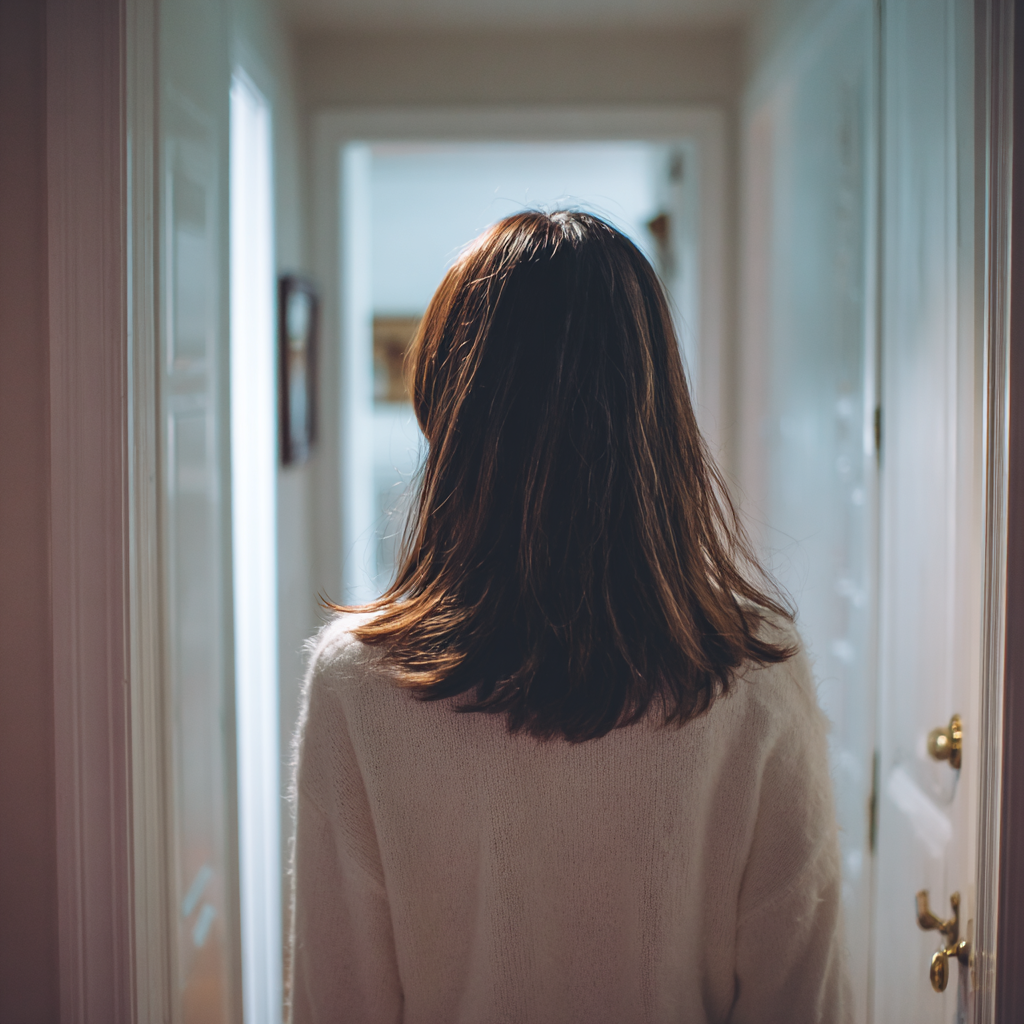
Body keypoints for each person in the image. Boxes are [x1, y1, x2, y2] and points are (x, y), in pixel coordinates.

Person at [288, 211, 849, 1023]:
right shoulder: (753, 672)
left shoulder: (358, 685)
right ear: (658, 411)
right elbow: (803, 1000)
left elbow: (337, 1003)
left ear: (447, 408)